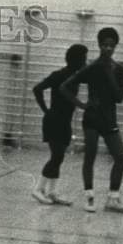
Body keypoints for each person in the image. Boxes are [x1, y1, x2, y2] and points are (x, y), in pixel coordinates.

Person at [59, 27, 123, 214]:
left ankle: (113, 199)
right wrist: (81, 104)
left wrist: (109, 73)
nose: (108, 48)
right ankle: (89, 197)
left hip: (109, 119)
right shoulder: (91, 67)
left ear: (116, 46)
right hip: (92, 118)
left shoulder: (118, 69)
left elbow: (118, 97)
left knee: (121, 157)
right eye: (104, 45)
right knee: (90, 156)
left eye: (111, 45)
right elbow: (64, 87)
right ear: (99, 45)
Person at [31, 43, 88, 205]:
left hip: (64, 121)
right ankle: (38, 189)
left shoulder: (76, 75)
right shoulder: (59, 75)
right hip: (54, 119)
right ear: (76, 59)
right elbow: (37, 88)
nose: (85, 61)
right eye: (83, 58)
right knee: (56, 156)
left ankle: (52, 192)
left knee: (59, 157)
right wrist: (45, 110)